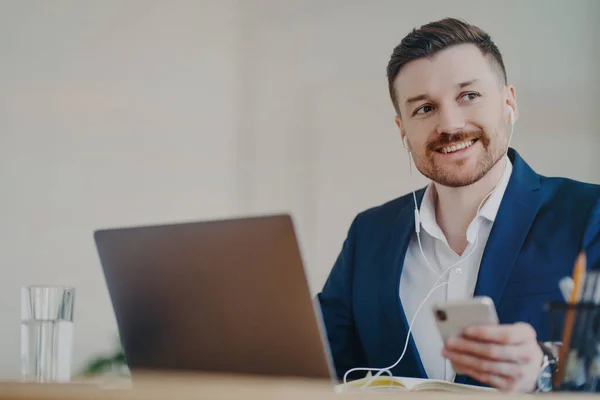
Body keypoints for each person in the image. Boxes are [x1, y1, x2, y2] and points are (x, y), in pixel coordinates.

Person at [317, 17, 600, 393]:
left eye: (469, 96)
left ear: (508, 103)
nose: (449, 124)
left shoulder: (588, 213)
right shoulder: (369, 233)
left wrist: (546, 369)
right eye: (424, 108)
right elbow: (318, 364)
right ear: (403, 130)